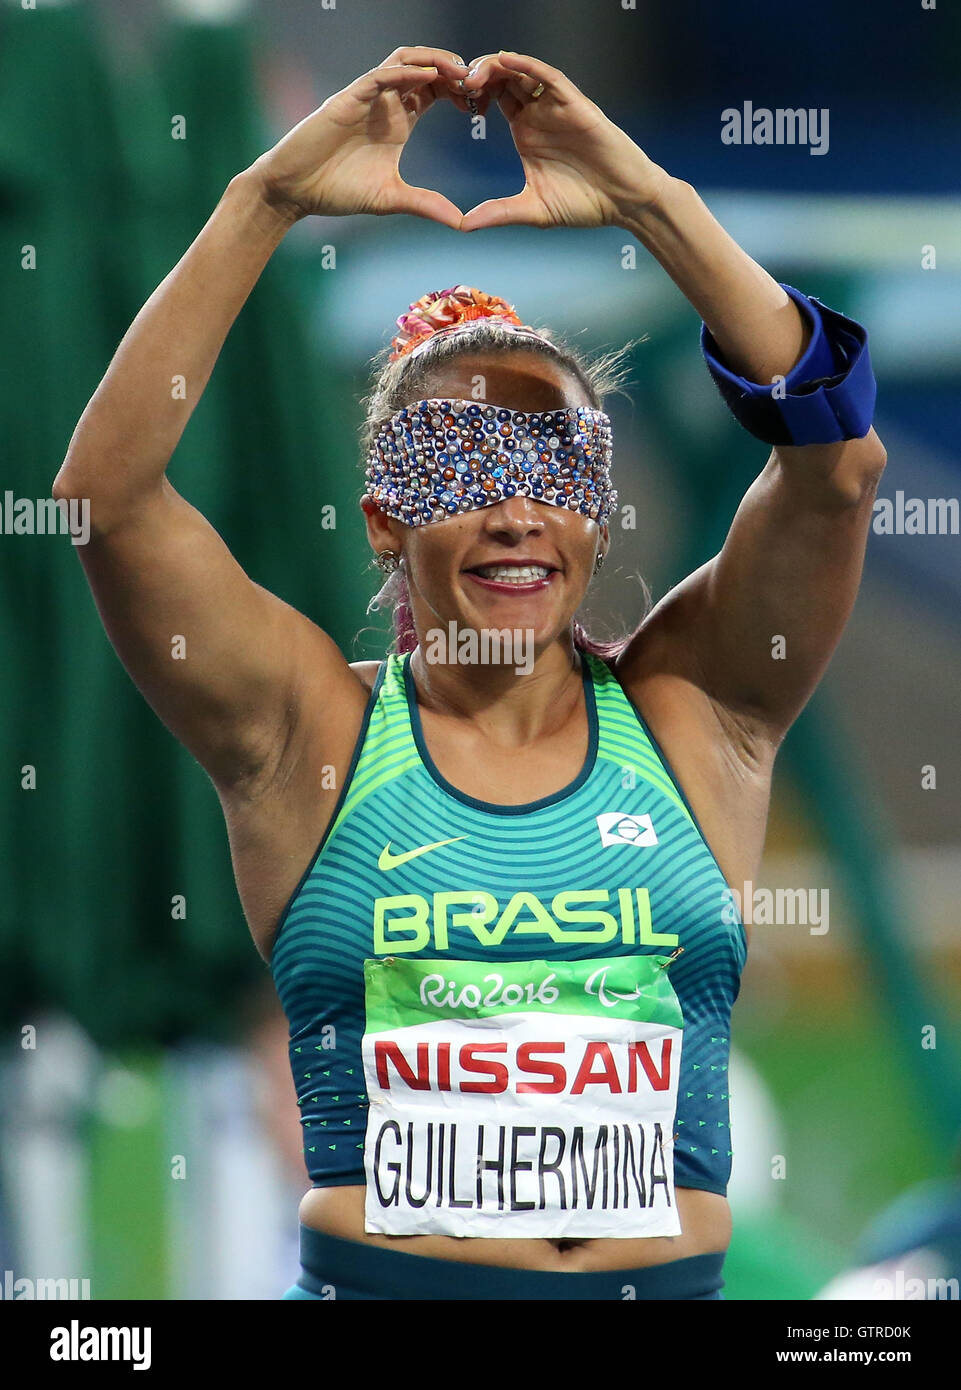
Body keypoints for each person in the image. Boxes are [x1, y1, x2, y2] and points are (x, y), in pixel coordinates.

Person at [54, 45, 885, 1301]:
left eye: (554, 472)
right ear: (386, 521)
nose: (512, 511)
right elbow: (106, 502)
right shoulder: (309, 735)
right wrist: (262, 201)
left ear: (599, 519)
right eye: (458, 472)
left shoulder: (693, 710)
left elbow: (835, 462)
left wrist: (651, 199)